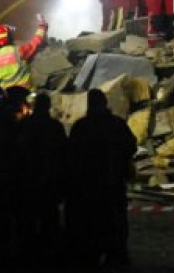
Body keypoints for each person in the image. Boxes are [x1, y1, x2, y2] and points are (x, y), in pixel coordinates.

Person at [66, 88, 138, 269]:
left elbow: (71, 155)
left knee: (93, 220)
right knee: (116, 220)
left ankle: (94, 253)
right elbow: (131, 146)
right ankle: (117, 253)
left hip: (90, 185)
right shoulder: (116, 124)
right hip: (112, 182)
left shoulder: (82, 126)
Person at [15, 91, 69, 268]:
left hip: (28, 180)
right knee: (49, 219)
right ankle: (49, 254)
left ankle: (27, 254)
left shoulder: (25, 125)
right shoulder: (55, 127)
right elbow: (64, 155)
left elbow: (17, 152)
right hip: (49, 180)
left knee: (28, 219)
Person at [0, 14, 49, 89]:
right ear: (10, 37)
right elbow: (36, 42)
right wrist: (42, 26)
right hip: (25, 95)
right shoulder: (19, 51)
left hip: (6, 99)